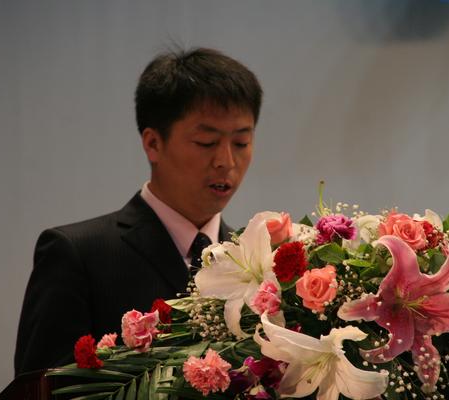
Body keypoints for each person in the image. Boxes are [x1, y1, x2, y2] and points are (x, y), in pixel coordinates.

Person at [14, 48, 263, 375]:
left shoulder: (257, 264)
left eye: (241, 143)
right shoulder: (78, 255)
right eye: (206, 142)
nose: (226, 161)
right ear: (153, 143)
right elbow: (41, 389)